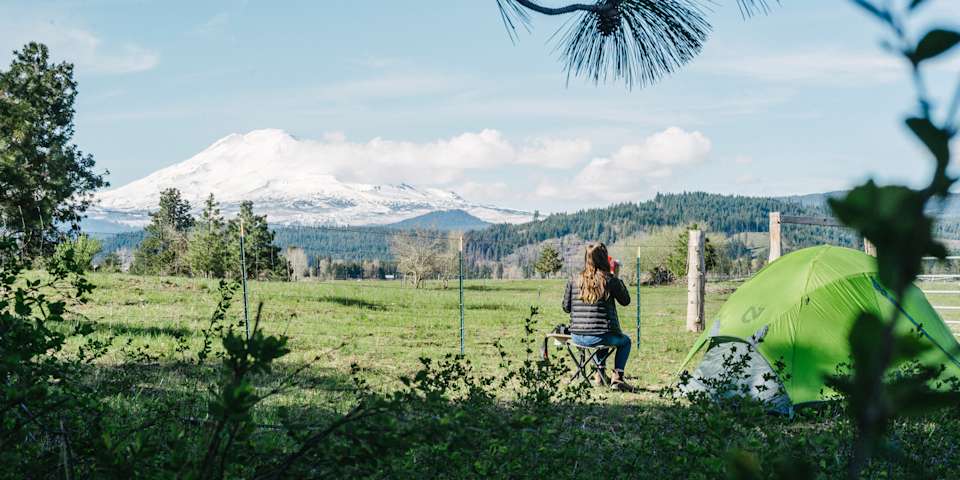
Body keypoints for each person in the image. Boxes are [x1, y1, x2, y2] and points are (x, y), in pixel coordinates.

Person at [562, 242, 634, 392]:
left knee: (600, 334)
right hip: (600, 336)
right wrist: (616, 277)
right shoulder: (609, 280)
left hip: (576, 336)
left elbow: (566, 307)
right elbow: (626, 301)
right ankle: (618, 378)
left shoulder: (574, 280)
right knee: (625, 341)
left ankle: (599, 375)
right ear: (604, 259)